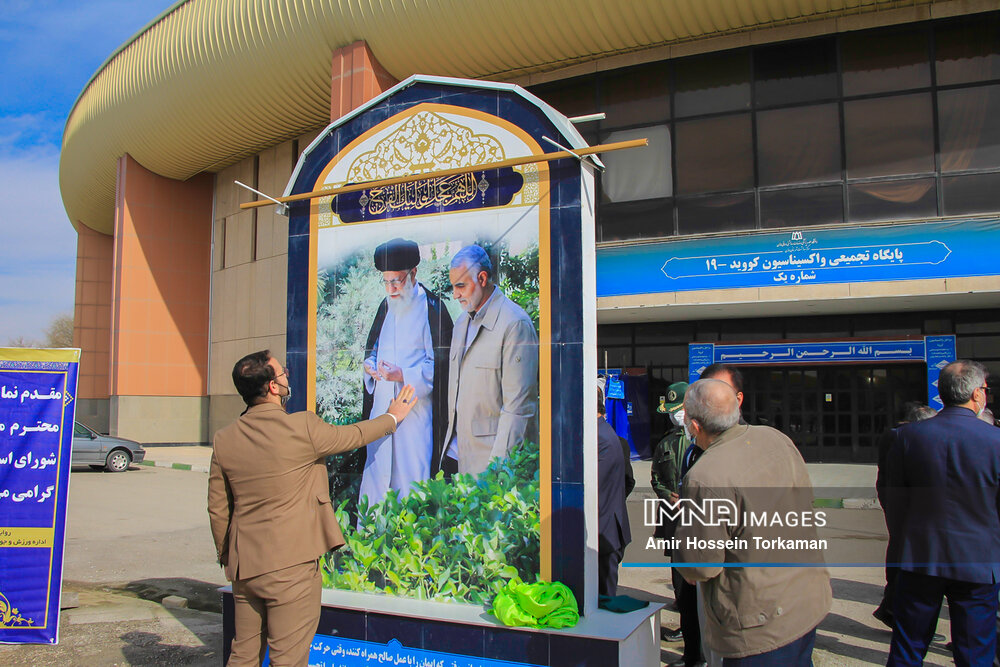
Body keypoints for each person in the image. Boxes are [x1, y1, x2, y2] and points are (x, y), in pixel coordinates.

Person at [208, 350, 417, 667]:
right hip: (292, 567)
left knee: (243, 655)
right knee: (287, 658)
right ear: (273, 388)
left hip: (244, 569)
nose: (287, 376)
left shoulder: (224, 439)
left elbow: (218, 508)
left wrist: (229, 558)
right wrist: (393, 418)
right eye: (283, 373)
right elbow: (354, 435)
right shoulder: (301, 427)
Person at [675, 379, 831, 666]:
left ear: (694, 426)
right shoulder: (776, 438)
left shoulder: (705, 475)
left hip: (759, 625)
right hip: (806, 602)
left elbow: (700, 564)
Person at [885, 360, 1000, 666]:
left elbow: (893, 500)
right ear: (977, 394)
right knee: (975, 652)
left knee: (908, 648)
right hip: (979, 560)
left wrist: (905, 539)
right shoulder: (995, 441)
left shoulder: (907, 437)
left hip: (920, 555)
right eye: (986, 389)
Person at [360, 238, 453, 505]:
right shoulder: (386, 306)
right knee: (378, 479)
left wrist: (403, 374)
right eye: (386, 282)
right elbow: (373, 350)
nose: (390, 289)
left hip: (415, 417)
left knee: (410, 483)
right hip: (382, 411)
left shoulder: (432, 309)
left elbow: (441, 367)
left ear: (413, 274)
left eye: (396, 281)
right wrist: (370, 366)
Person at [440, 244, 538, 475]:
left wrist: (496, 473)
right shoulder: (461, 324)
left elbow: (518, 410)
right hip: (456, 459)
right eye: (453, 287)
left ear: (482, 278)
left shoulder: (515, 324)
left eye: (461, 286)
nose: (455, 295)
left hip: (490, 469)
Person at [650, 381, 703, 667]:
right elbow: (655, 477)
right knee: (680, 581)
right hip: (673, 520)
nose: (675, 416)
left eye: (679, 410)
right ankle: (689, 635)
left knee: (701, 585)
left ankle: (700, 647)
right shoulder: (666, 442)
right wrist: (665, 494)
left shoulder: (704, 441)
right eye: (671, 411)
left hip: (699, 523)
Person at [873, 402, 936, 630]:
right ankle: (892, 608)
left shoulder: (896, 436)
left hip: (895, 499)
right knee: (903, 552)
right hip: (904, 503)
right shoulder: (901, 438)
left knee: (900, 548)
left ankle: (890, 606)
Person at [598, 387, 631, 597]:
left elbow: (593, 489)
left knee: (603, 601)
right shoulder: (605, 433)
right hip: (606, 531)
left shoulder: (600, 439)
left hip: (603, 534)